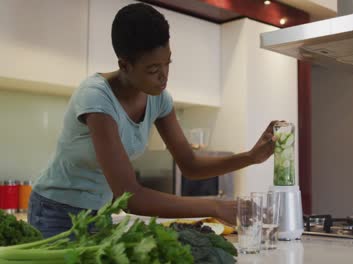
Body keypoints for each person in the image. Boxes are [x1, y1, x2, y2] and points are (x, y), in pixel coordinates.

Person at [27, 3, 277, 238]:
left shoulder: (159, 99)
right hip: (55, 212)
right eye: (152, 69)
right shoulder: (96, 99)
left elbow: (190, 164)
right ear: (124, 65)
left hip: (99, 213)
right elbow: (130, 196)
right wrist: (215, 206)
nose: (164, 76)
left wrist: (250, 157)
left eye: (167, 63)